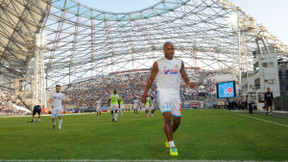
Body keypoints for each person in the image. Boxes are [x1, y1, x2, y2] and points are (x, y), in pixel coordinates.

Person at [141, 42, 196, 156]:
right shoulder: (158, 64)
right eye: (168, 49)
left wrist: (188, 82)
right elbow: (151, 79)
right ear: (163, 50)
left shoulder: (179, 62)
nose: (170, 51)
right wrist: (144, 94)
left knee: (177, 121)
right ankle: (172, 145)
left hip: (175, 93)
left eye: (172, 49)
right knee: (167, 116)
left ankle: (168, 135)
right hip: (163, 92)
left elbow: (184, 75)